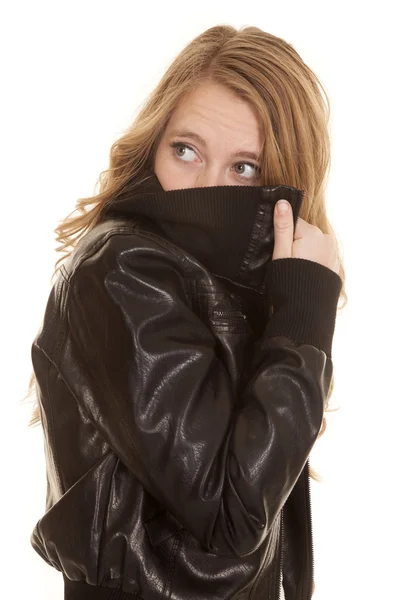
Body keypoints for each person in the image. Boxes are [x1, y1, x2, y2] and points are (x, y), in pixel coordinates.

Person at [24, 24, 346, 600]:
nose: (206, 187)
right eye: (187, 150)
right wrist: (302, 322)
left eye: (244, 168)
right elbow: (233, 514)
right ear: (154, 146)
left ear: (283, 185)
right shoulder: (123, 268)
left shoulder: (237, 288)